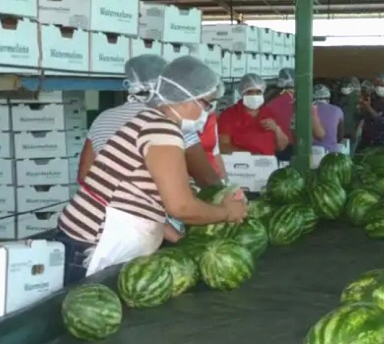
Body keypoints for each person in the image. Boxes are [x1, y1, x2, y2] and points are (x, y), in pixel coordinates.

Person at [55, 56, 247, 285]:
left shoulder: (149, 121)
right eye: (207, 103)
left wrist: (177, 238)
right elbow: (181, 206)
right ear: (187, 98)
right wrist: (227, 212)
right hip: (91, 244)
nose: (208, 112)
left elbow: (138, 196)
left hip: (85, 238)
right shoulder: (162, 131)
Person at [77, 55, 222, 189]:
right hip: (146, 210)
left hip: (102, 207)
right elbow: (206, 178)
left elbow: (85, 175)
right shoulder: (171, 119)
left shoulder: (103, 118)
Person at [218, 73, 289, 155]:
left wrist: (276, 129)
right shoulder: (229, 115)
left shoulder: (270, 113)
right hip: (239, 163)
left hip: (267, 164)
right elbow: (223, 146)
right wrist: (249, 155)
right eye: (249, 92)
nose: (254, 95)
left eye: (258, 92)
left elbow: (282, 147)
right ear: (242, 93)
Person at [266, 68, 326, 161]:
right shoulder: (305, 104)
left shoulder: (269, 104)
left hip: (276, 155)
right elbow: (320, 135)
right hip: (300, 152)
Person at [333, 77, 362, 153]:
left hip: (351, 132)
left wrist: (357, 130)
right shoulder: (338, 98)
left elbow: (361, 116)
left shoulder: (357, 99)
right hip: (341, 132)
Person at [313, 84, 344, 153]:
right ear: (328, 98)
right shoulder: (337, 110)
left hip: (310, 151)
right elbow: (340, 137)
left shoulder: (307, 110)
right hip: (331, 152)